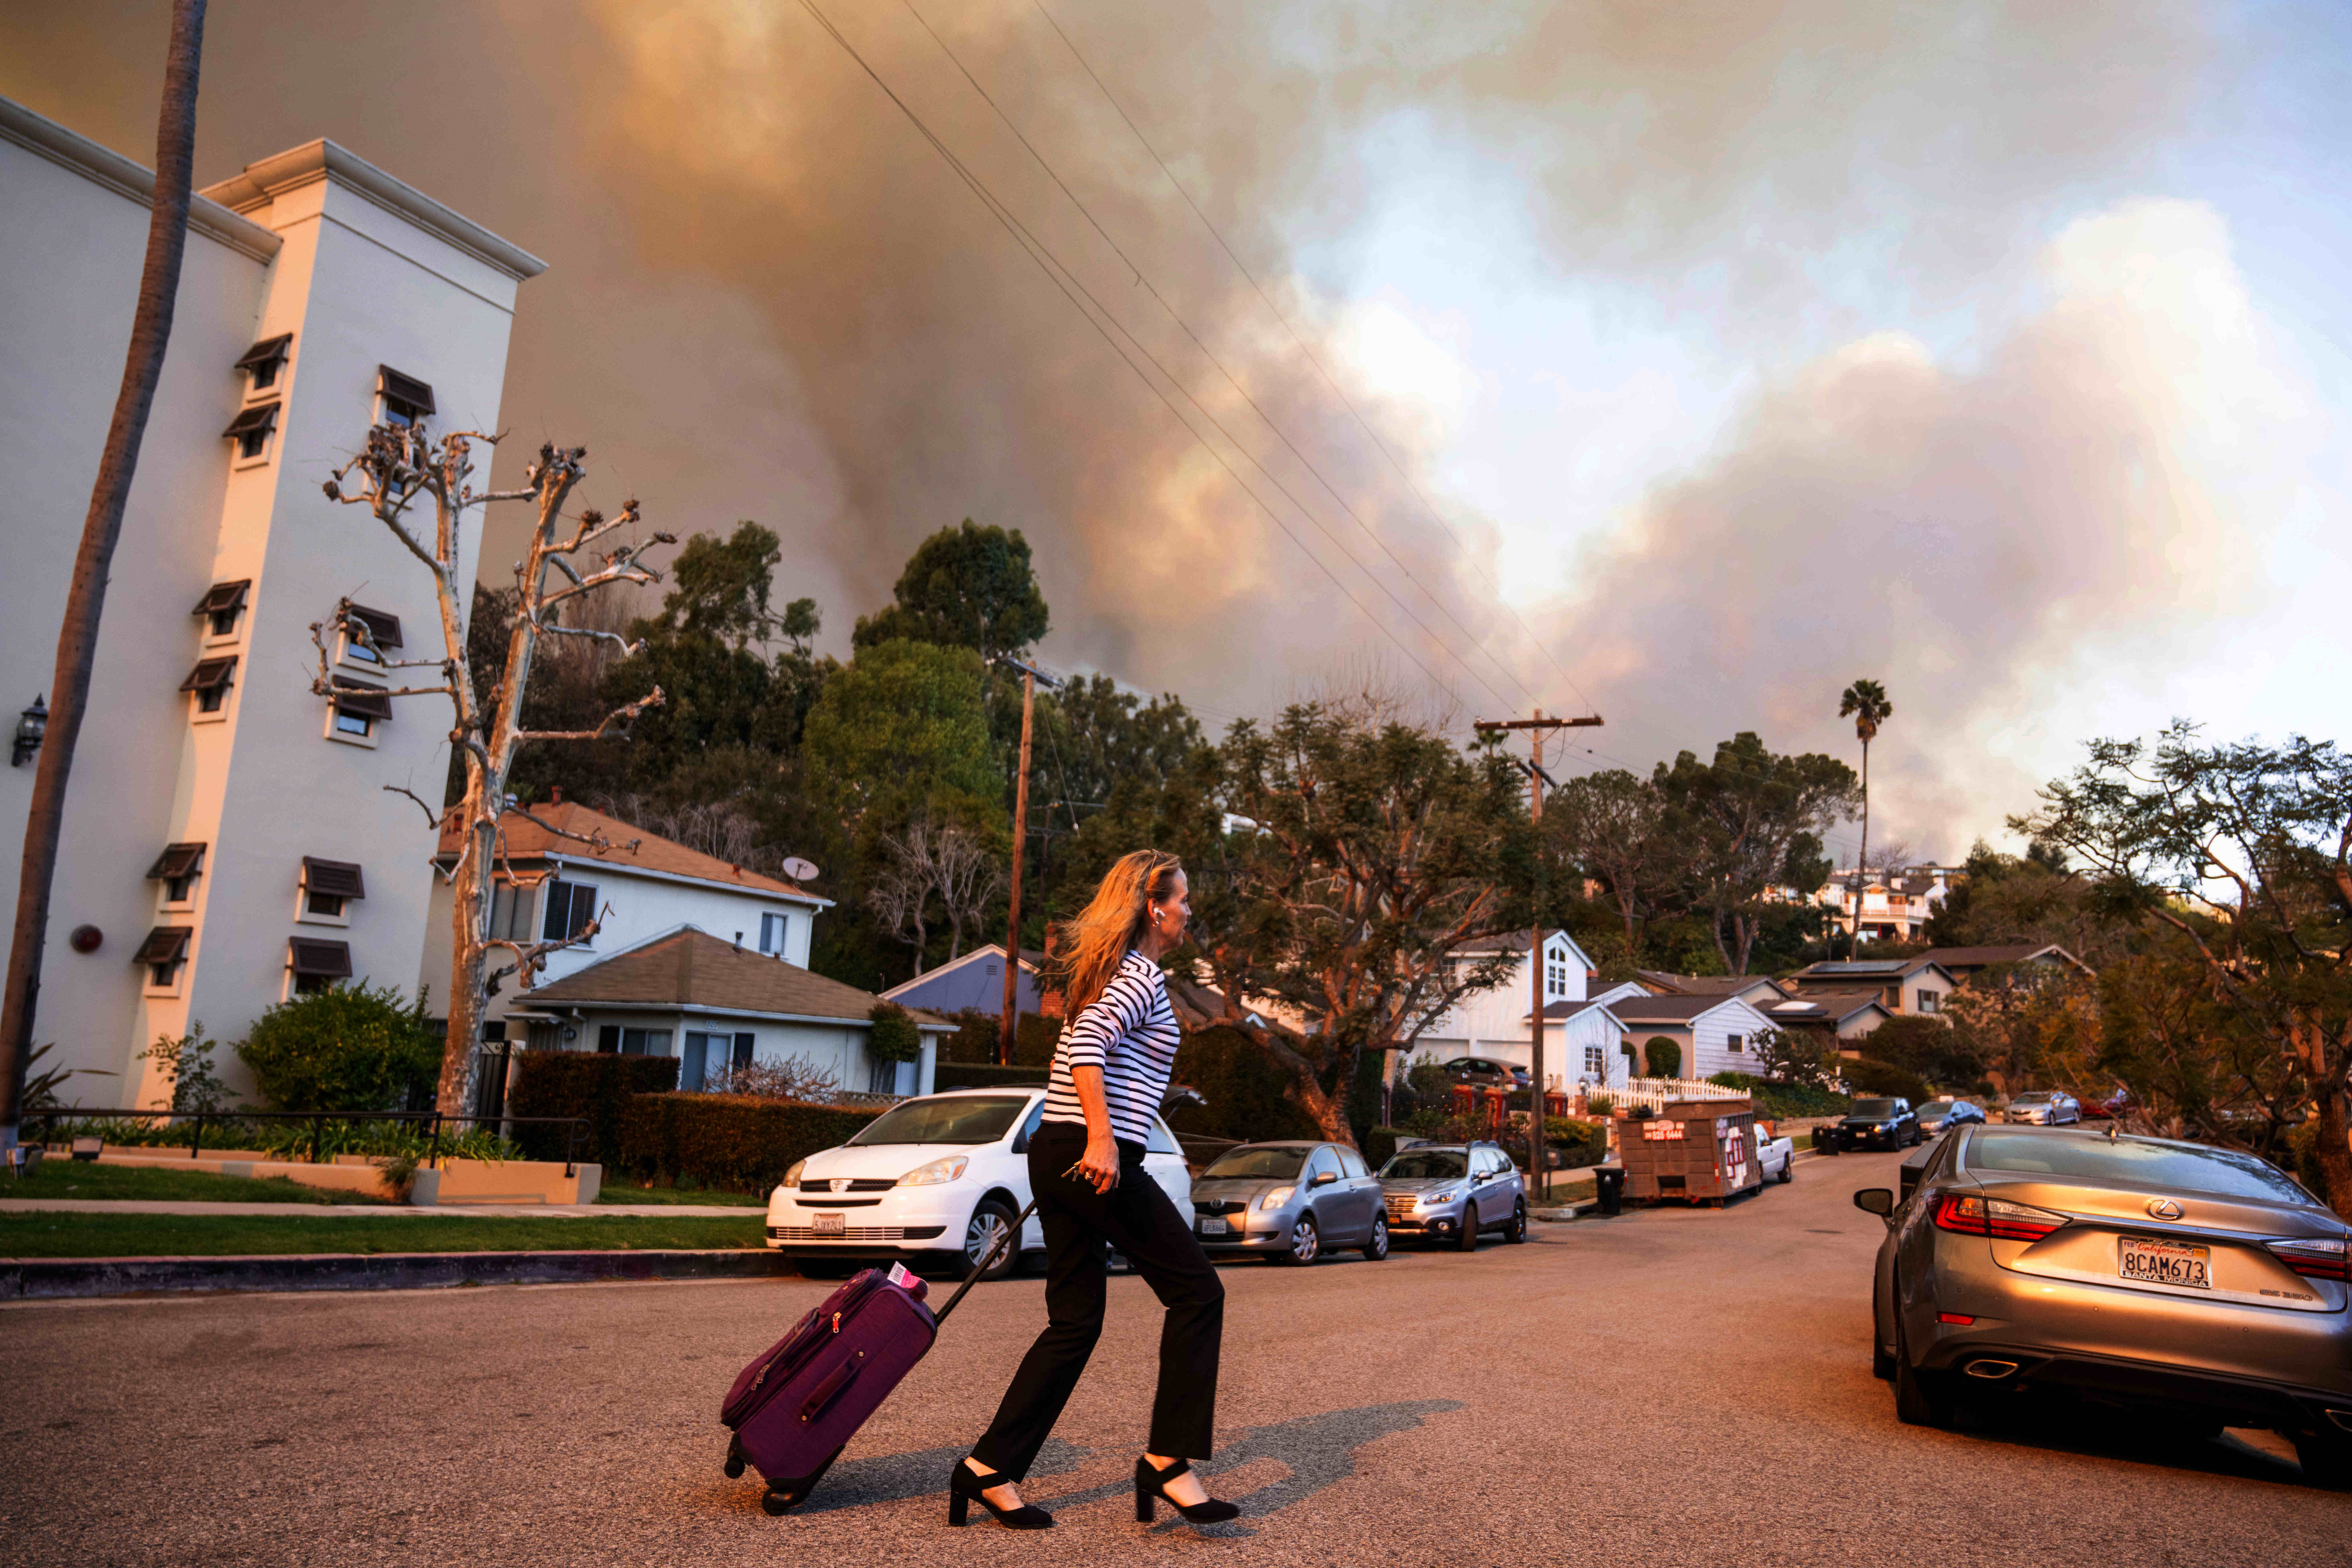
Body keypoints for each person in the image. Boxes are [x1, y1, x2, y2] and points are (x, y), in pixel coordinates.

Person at [951, 850, 1239, 1531]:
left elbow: (1091, 1047)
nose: (1190, 910)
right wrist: (1105, 1141)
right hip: (1092, 1153)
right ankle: (1168, 1461)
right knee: (1199, 1292)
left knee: (1075, 1320)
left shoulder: (1115, 972)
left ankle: (989, 1469)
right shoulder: (1136, 975)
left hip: (1061, 1148)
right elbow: (1085, 1048)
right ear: (1155, 906)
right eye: (1185, 898)